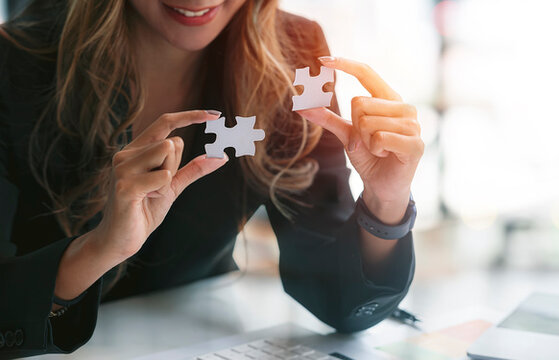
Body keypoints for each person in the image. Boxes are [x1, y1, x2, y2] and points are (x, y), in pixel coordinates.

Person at [0, 0, 424, 357]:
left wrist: (386, 201)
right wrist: (98, 249)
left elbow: (342, 302)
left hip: (197, 336)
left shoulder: (294, 54)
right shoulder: (15, 60)